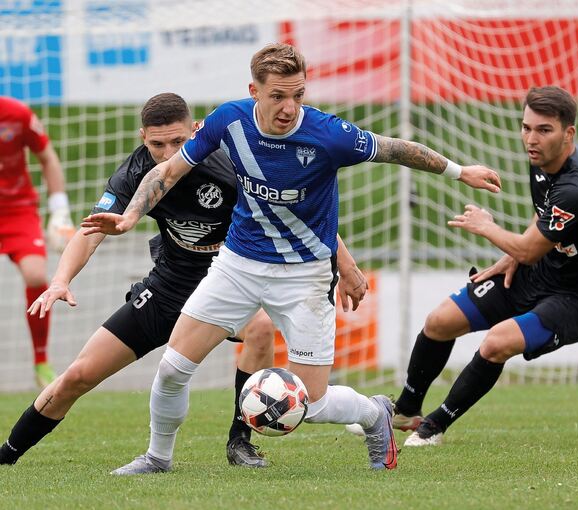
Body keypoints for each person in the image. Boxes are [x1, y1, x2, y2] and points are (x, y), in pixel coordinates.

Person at [82, 43, 500, 474]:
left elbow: (394, 148)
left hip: (305, 275)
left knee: (311, 404)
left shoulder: (328, 134)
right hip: (237, 264)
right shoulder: (229, 120)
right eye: (278, 95)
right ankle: (158, 457)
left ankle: (376, 415)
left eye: (297, 95)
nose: (288, 107)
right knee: (172, 368)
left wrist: (458, 171)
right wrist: (130, 215)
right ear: (254, 90)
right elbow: (167, 172)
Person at [0, 92, 369, 469]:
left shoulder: (229, 166)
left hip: (230, 286)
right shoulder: (136, 174)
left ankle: (239, 441)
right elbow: (91, 231)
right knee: (78, 375)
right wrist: (60, 279)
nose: (167, 153)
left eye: (178, 142)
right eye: (157, 144)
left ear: (196, 130)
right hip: (168, 288)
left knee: (259, 329)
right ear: (143, 137)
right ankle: (6, 457)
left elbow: (294, 216)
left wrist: (346, 265)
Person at [383, 85, 578, 447]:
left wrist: (487, 227)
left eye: (544, 130)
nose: (531, 139)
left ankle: (434, 427)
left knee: (496, 343)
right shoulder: (543, 160)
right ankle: (406, 410)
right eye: (526, 127)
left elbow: (531, 249)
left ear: (569, 133)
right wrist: (512, 254)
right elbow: (541, 219)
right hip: (539, 271)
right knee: (439, 322)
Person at [0, 96, 75, 389]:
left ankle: (41, 361)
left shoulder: (17, 114)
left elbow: (47, 157)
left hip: (18, 209)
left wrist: (59, 211)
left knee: (35, 275)